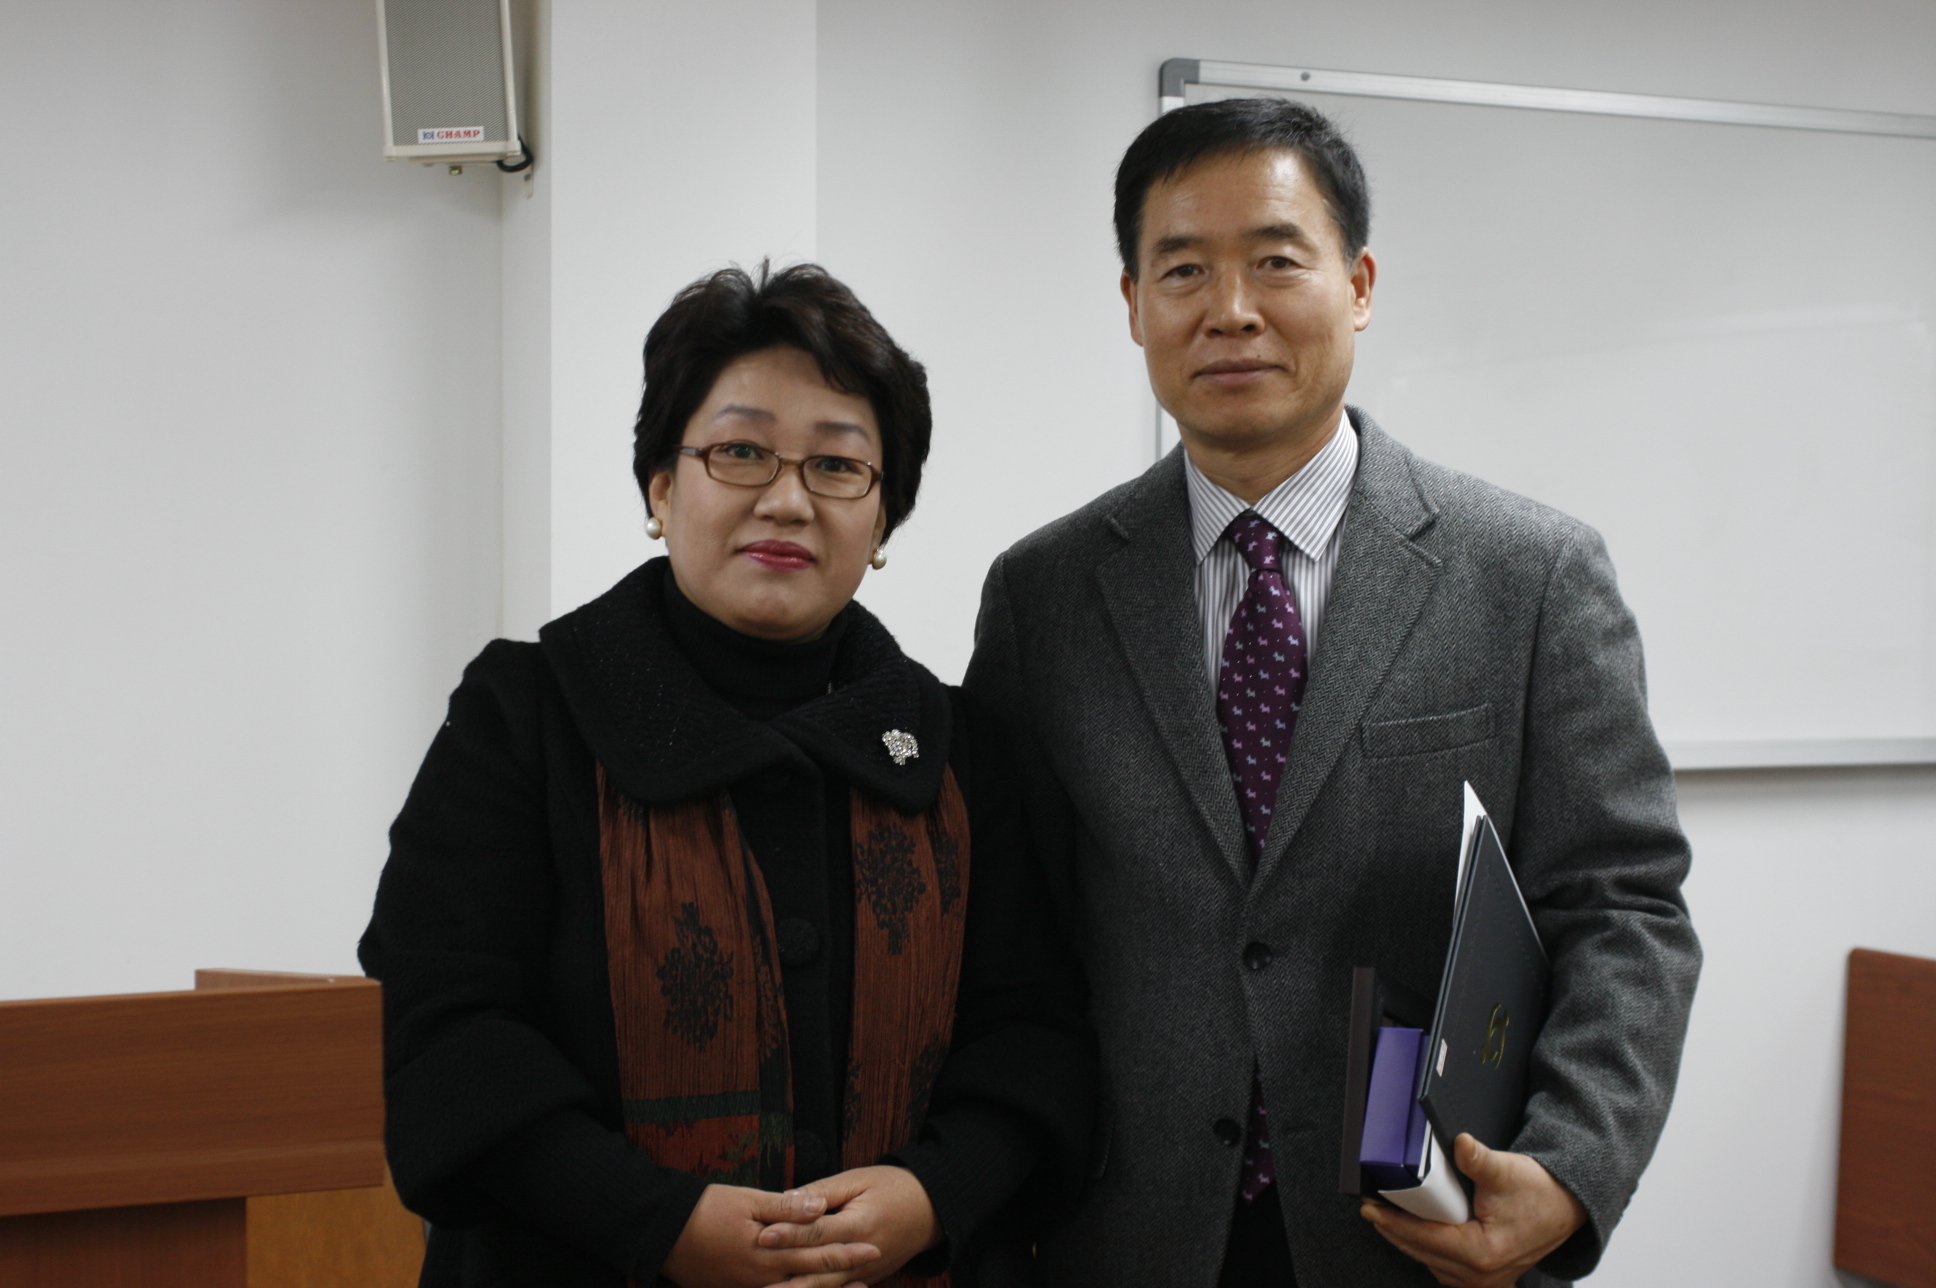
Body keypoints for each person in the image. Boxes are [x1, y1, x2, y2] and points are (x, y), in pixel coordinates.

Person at [961, 97, 1700, 1288]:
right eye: (1183, 270)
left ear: (1356, 284)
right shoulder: (1044, 596)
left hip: (1423, 1236)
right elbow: (1011, 934)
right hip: (1124, 1235)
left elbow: (1622, 904)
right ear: (1134, 305)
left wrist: (1571, 1165)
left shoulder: (1530, 575)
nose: (1229, 309)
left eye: (1274, 260)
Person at [360, 262, 1095, 1288]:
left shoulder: (958, 745)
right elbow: (452, 1034)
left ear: (884, 518)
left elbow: (1034, 1033)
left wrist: (931, 1193)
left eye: (837, 466)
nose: (786, 501)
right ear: (661, 486)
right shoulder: (525, 717)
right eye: (740, 452)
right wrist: (661, 1223)